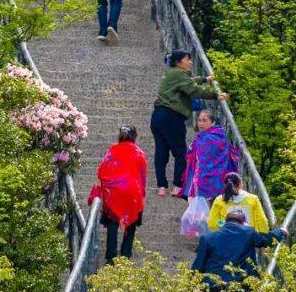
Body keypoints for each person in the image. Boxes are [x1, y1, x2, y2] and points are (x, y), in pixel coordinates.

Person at [150, 51, 227, 196]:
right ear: (179, 62)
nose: (191, 62)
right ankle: (178, 186)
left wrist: (204, 79)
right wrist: (216, 95)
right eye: (188, 60)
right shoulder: (179, 75)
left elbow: (189, 81)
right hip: (172, 117)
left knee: (161, 152)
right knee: (180, 153)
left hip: (158, 116)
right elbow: (194, 90)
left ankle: (161, 186)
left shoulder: (171, 73)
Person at [191, 208, 288, 292]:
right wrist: (281, 231)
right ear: (243, 223)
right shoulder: (249, 232)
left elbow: (198, 265)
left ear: (225, 222)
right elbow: (266, 240)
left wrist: (190, 287)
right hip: (240, 286)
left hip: (212, 286)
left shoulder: (207, 238)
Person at [89, 125, 147, 262]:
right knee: (131, 224)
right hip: (133, 192)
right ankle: (126, 255)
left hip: (114, 192)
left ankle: (111, 257)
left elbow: (101, 171)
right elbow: (143, 176)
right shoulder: (139, 153)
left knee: (113, 224)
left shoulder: (113, 150)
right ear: (135, 136)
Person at [180, 110, 241, 205]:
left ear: (213, 122)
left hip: (210, 178)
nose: (200, 123)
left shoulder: (217, 137)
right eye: (199, 120)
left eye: (204, 121)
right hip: (211, 179)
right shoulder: (204, 136)